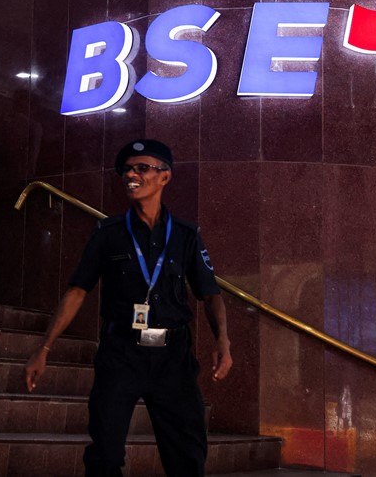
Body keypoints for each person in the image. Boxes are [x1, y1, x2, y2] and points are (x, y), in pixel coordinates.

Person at [23, 139, 232, 477]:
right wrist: (44, 348)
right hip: (121, 353)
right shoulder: (108, 233)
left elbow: (210, 294)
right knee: (104, 455)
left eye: (142, 168)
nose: (131, 175)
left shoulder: (186, 235)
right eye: (127, 170)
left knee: (188, 457)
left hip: (173, 359)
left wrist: (223, 340)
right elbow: (77, 290)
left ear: (165, 177)